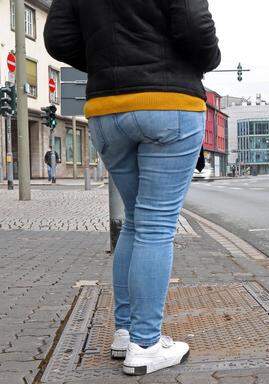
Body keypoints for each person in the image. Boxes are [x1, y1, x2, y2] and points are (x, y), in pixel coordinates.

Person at [44, 0, 221, 376]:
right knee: (156, 226)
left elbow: (58, 39)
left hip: (107, 109)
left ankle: (126, 332)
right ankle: (146, 343)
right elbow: (194, 26)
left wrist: (110, 60)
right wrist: (209, 57)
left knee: (137, 222)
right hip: (169, 102)